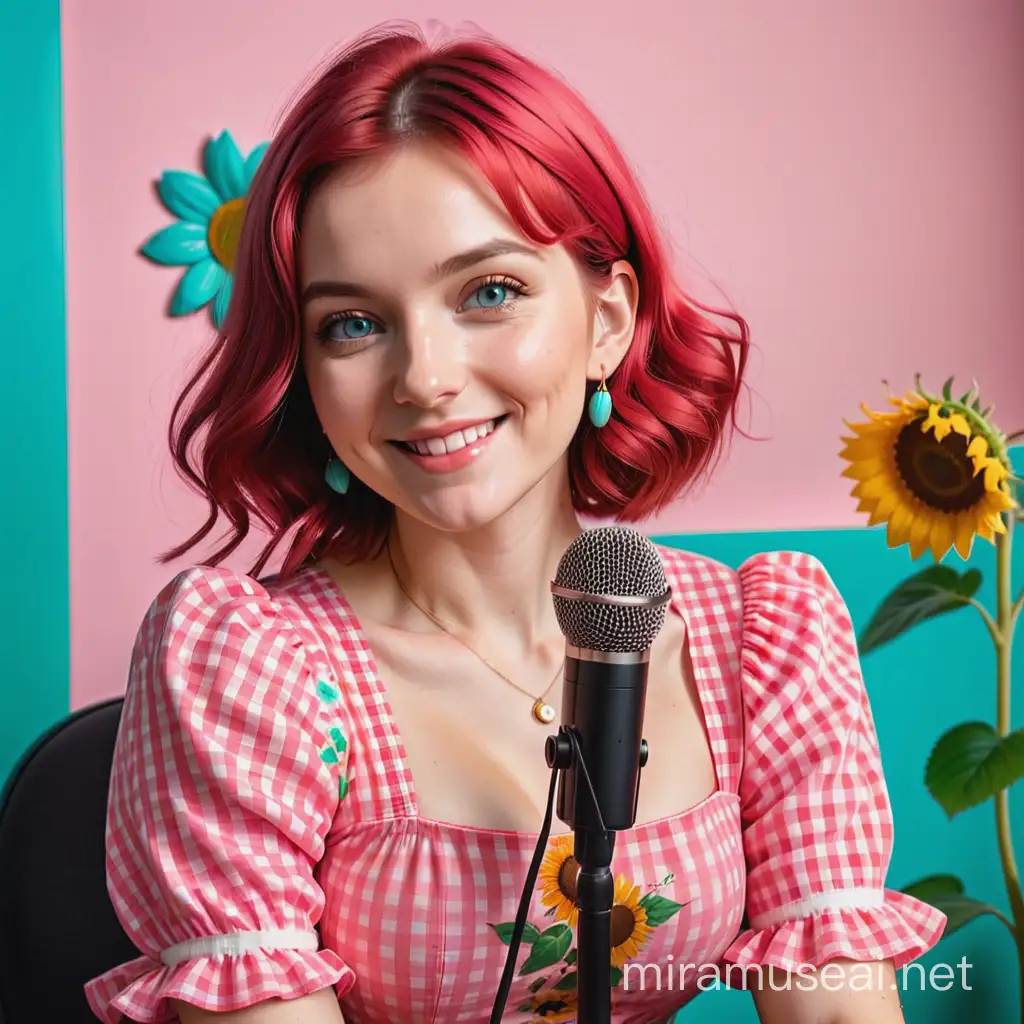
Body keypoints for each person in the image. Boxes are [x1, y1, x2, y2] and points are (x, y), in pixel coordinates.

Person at [84, 21, 945, 1024]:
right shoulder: (247, 668)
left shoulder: (763, 640)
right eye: (353, 323)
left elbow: (838, 1009)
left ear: (608, 320)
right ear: (306, 371)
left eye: (488, 291)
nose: (425, 377)